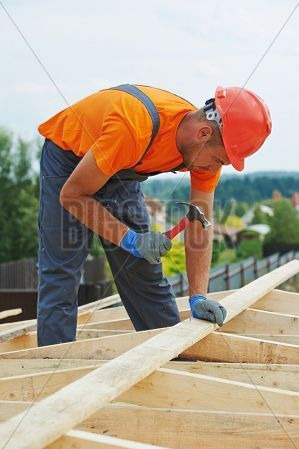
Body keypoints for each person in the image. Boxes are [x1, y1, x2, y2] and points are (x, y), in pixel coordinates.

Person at [37, 84, 271, 346]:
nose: (215, 168)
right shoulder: (134, 127)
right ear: (204, 133)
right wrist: (130, 239)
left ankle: (171, 356)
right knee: (62, 273)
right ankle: (52, 366)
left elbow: (201, 220)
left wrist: (198, 296)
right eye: (218, 160)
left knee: (143, 269)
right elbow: (73, 196)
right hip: (70, 158)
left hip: (121, 165)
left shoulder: (204, 146)